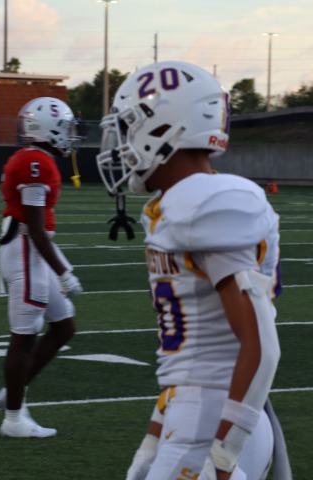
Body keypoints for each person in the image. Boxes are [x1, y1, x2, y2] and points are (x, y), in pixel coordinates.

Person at [97, 61, 288, 480]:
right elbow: (188, 359)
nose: (122, 145)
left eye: (130, 128)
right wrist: (154, 436)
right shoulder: (174, 205)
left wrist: (224, 454)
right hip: (193, 408)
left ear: (166, 129)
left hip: (215, 415)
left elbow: (261, 345)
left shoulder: (205, 203)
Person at [0, 97, 83, 438]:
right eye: (65, 128)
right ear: (50, 129)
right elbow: (33, 226)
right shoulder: (35, 163)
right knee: (24, 336)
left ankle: (11, 393)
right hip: (26, 250)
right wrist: (63, 271)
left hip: (30, 247)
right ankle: (14, 419)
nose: (70, 135)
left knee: (64, 326)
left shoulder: (34, 158)